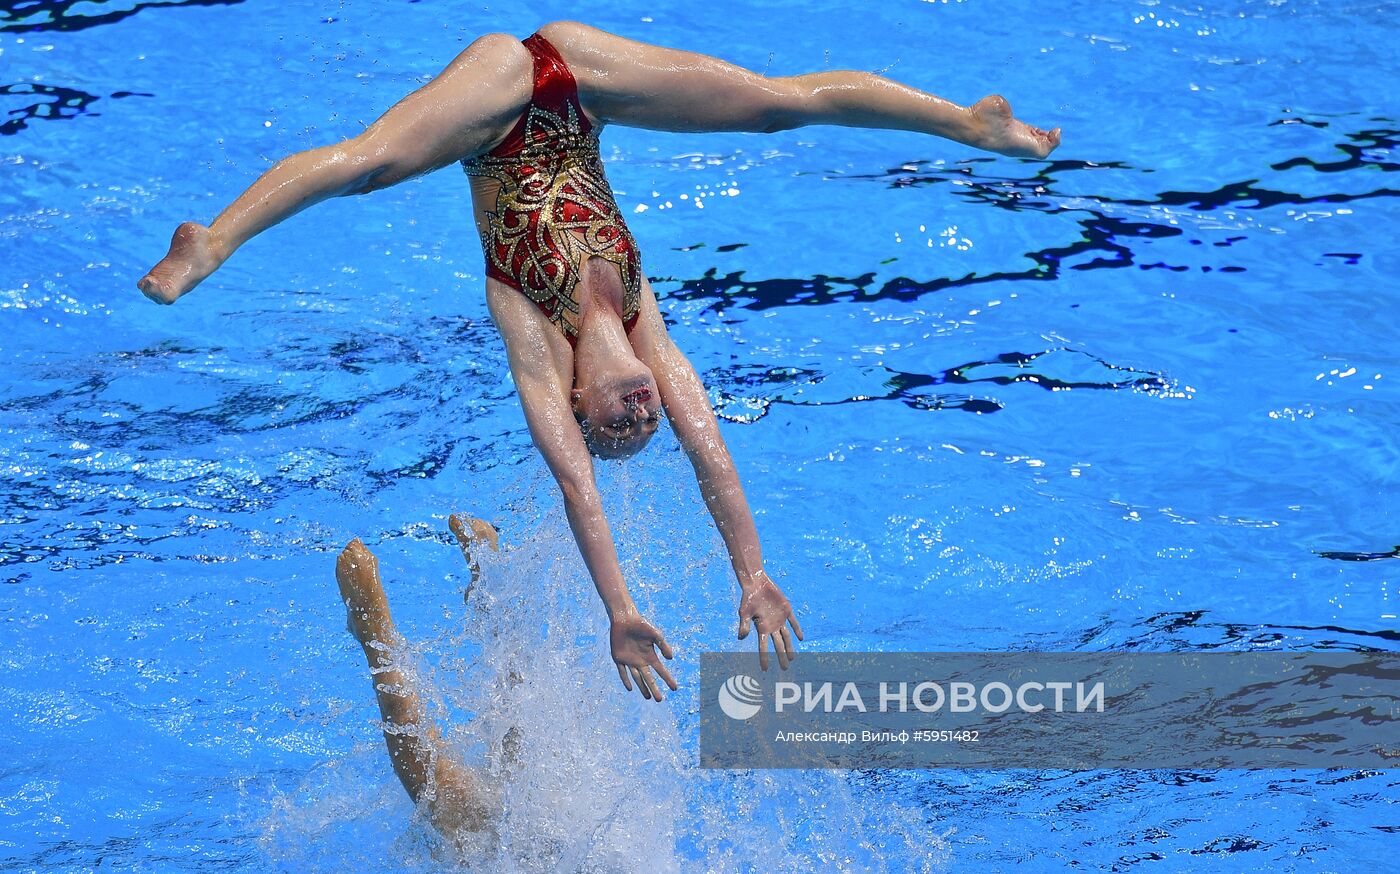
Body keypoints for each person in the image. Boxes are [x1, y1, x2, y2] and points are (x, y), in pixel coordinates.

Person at [138, 22, 1061, 700]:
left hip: (493, 112)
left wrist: (618, 610)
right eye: (646, 419)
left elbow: (580, 491)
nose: (645, 412)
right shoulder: (650, 327)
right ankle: (973, 126)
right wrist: (749, 573)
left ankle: (213, 242)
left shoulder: (536, 339)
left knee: (373, 162)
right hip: (580, 87)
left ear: (578, 403)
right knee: (779, 105)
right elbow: (711, 452)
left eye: (618, 424)